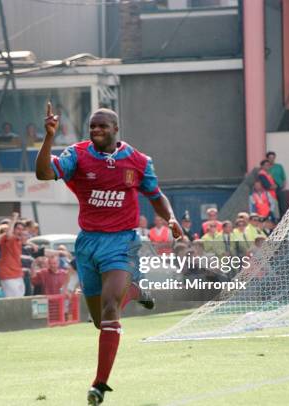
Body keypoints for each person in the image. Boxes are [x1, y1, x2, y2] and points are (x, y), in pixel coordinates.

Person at [35, 102, 182, 405]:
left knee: (110, 307)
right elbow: (43, 173)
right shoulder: (77, 154)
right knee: (100, 321)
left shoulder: (139, 161)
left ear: (116, 129)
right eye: (92, 126)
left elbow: (156, 196)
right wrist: (49, 137)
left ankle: (99, 384)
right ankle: (137, 290)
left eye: (102, 126)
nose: (96, 130)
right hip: (88, 244)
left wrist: (171, 218)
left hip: (122, 242)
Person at [266, 151, 287, 217]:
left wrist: (283, 187)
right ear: (267, 159)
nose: (271, 159)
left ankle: (283, 220)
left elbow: (284, 177)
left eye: (273, 158)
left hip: (280, 188)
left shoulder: (279, 166)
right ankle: (273, 220)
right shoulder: (266, 168)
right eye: (270, 158)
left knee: (282, 206)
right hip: (270, 189)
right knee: (272, 206)